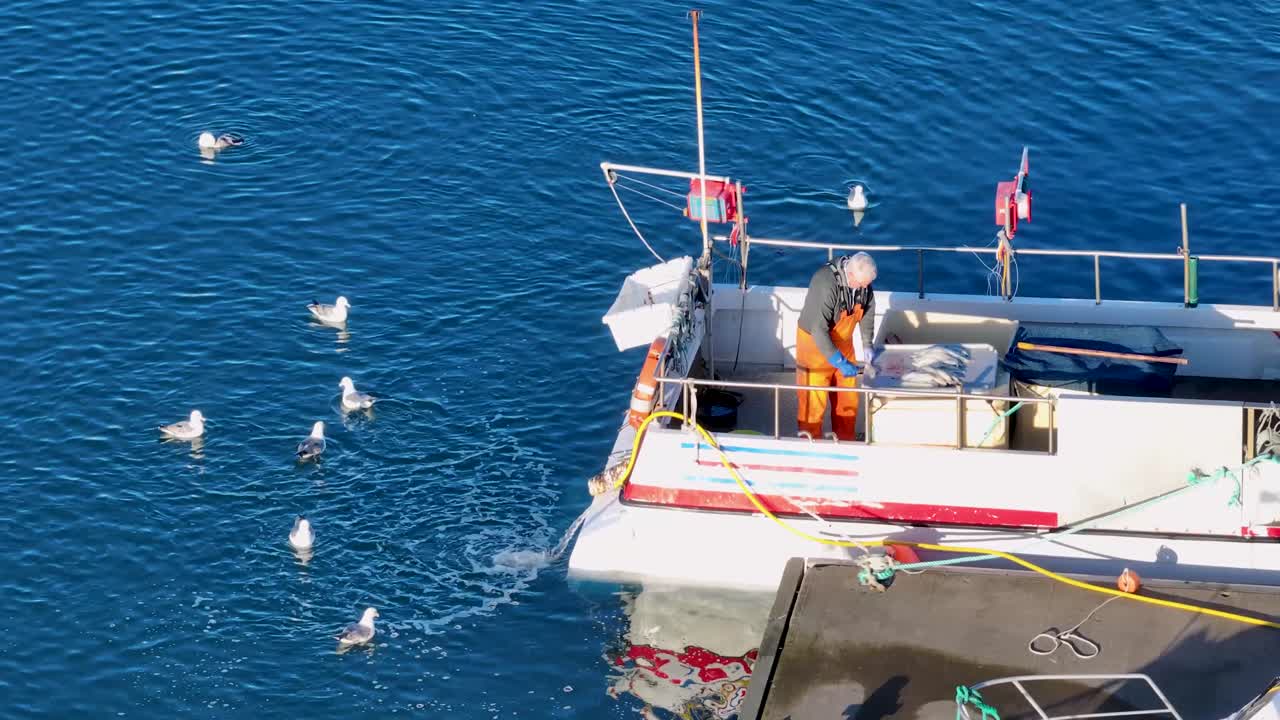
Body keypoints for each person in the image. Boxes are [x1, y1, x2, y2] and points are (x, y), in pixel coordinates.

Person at [796, 251, 877, 441]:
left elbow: (868, 311)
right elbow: (818, 329)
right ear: (850, 275)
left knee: (847, 399)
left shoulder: (863, 285)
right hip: (814, 347)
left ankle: (845, 439)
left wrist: (867, 344)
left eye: (867, 284)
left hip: (843, 343)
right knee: (812, 403)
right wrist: (838, 361)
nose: (865, 287)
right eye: (862, 284)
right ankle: (809, 443)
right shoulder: (824, 283)